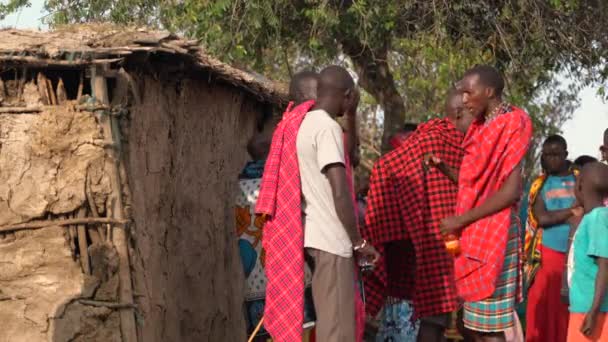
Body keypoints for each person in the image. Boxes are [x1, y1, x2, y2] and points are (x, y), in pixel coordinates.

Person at [256, 65, 379, 342]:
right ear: (347, 96)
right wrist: (358, 242)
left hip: (315, 237)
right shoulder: (326, 127)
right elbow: (340, 191)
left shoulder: (302, 124)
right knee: (337, 330)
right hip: (332, 240)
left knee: (328, 322)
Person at [430, 65, 533, 342]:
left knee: (489, 327)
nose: (463, 99)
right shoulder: (481, 128)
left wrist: (459, 220)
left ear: (489, 92)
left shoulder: (512, 123)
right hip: (477, 231)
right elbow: (475, 184)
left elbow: (509, 192)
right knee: (472, 324)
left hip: (495, 233)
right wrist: (444, 169)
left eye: (468, 92)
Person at [364, 89, 474, 342]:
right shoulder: (433, 141)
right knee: (432, 320)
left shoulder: (465, 145)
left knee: (441, 320)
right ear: (459, 112)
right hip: (429, 246)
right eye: (474, 112)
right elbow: (387, 170)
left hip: (454, 244)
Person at [524, 135, 579, 342]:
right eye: (547, 155)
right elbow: (542, 218)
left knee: (565, 310)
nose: (551, 159)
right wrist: (571, 212)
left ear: (565, 154)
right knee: (544, 306)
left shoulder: (579, 179)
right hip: (547, 254)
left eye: (556, 155)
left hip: (574, 254)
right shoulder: (540, 184)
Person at [567, 162, 608, 341]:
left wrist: (593, 311)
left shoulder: (597, 218)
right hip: (585, 307)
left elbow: (604, 265)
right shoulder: (591, 217)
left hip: (591, 311)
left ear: (580, 184)